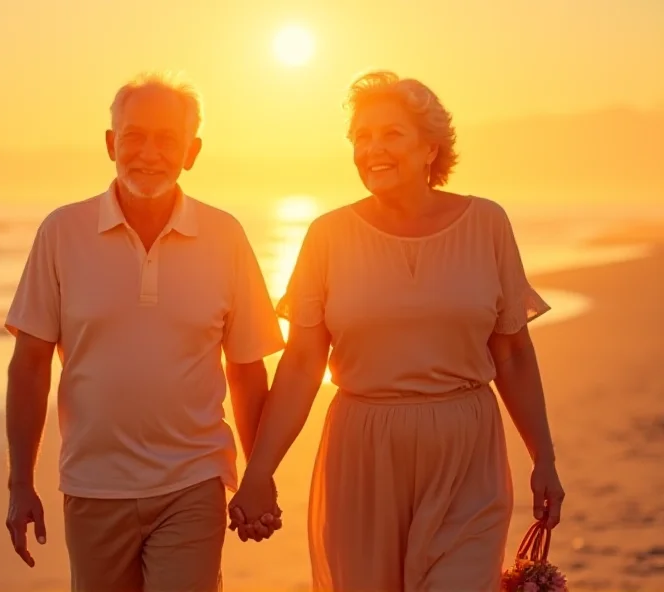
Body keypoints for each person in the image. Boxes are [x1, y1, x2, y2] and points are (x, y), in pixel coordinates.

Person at [228, 70, 566, 591]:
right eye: (361, 137)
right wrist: (260, 471)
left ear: (431, 148)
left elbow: (514, 353)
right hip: (362, 453)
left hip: (466, 453)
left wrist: (543, 456)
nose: (372, 149)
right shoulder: (327, 236)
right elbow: (300, 365)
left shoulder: (487, 225)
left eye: (390, 134)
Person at [3, 71, 285, 592]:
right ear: (111, 143)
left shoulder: (225, 237)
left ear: (192, 151)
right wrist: (20, 482)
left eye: (167, 139)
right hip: (92, 486)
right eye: (134, 136)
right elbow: (30, 363)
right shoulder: (62, 232)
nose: (149, 152)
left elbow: (247, 371)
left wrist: (257, 477)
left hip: (193, 483)